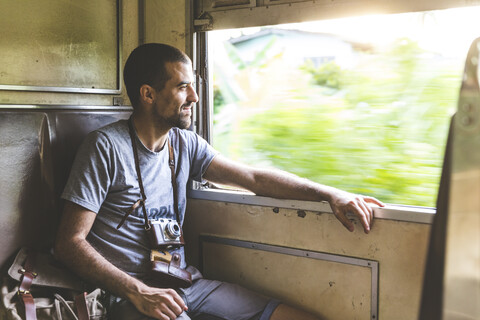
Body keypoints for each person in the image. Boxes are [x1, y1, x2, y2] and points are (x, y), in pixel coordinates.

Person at [54, 43, 384, 320]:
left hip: (182, 282)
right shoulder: (105, 148)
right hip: (129, 295)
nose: (195, 97)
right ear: (148, 94)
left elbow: (253, 177)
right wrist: (138, 291)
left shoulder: (184, 144)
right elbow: (70, 242)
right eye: (182, 87)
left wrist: (329, 194)